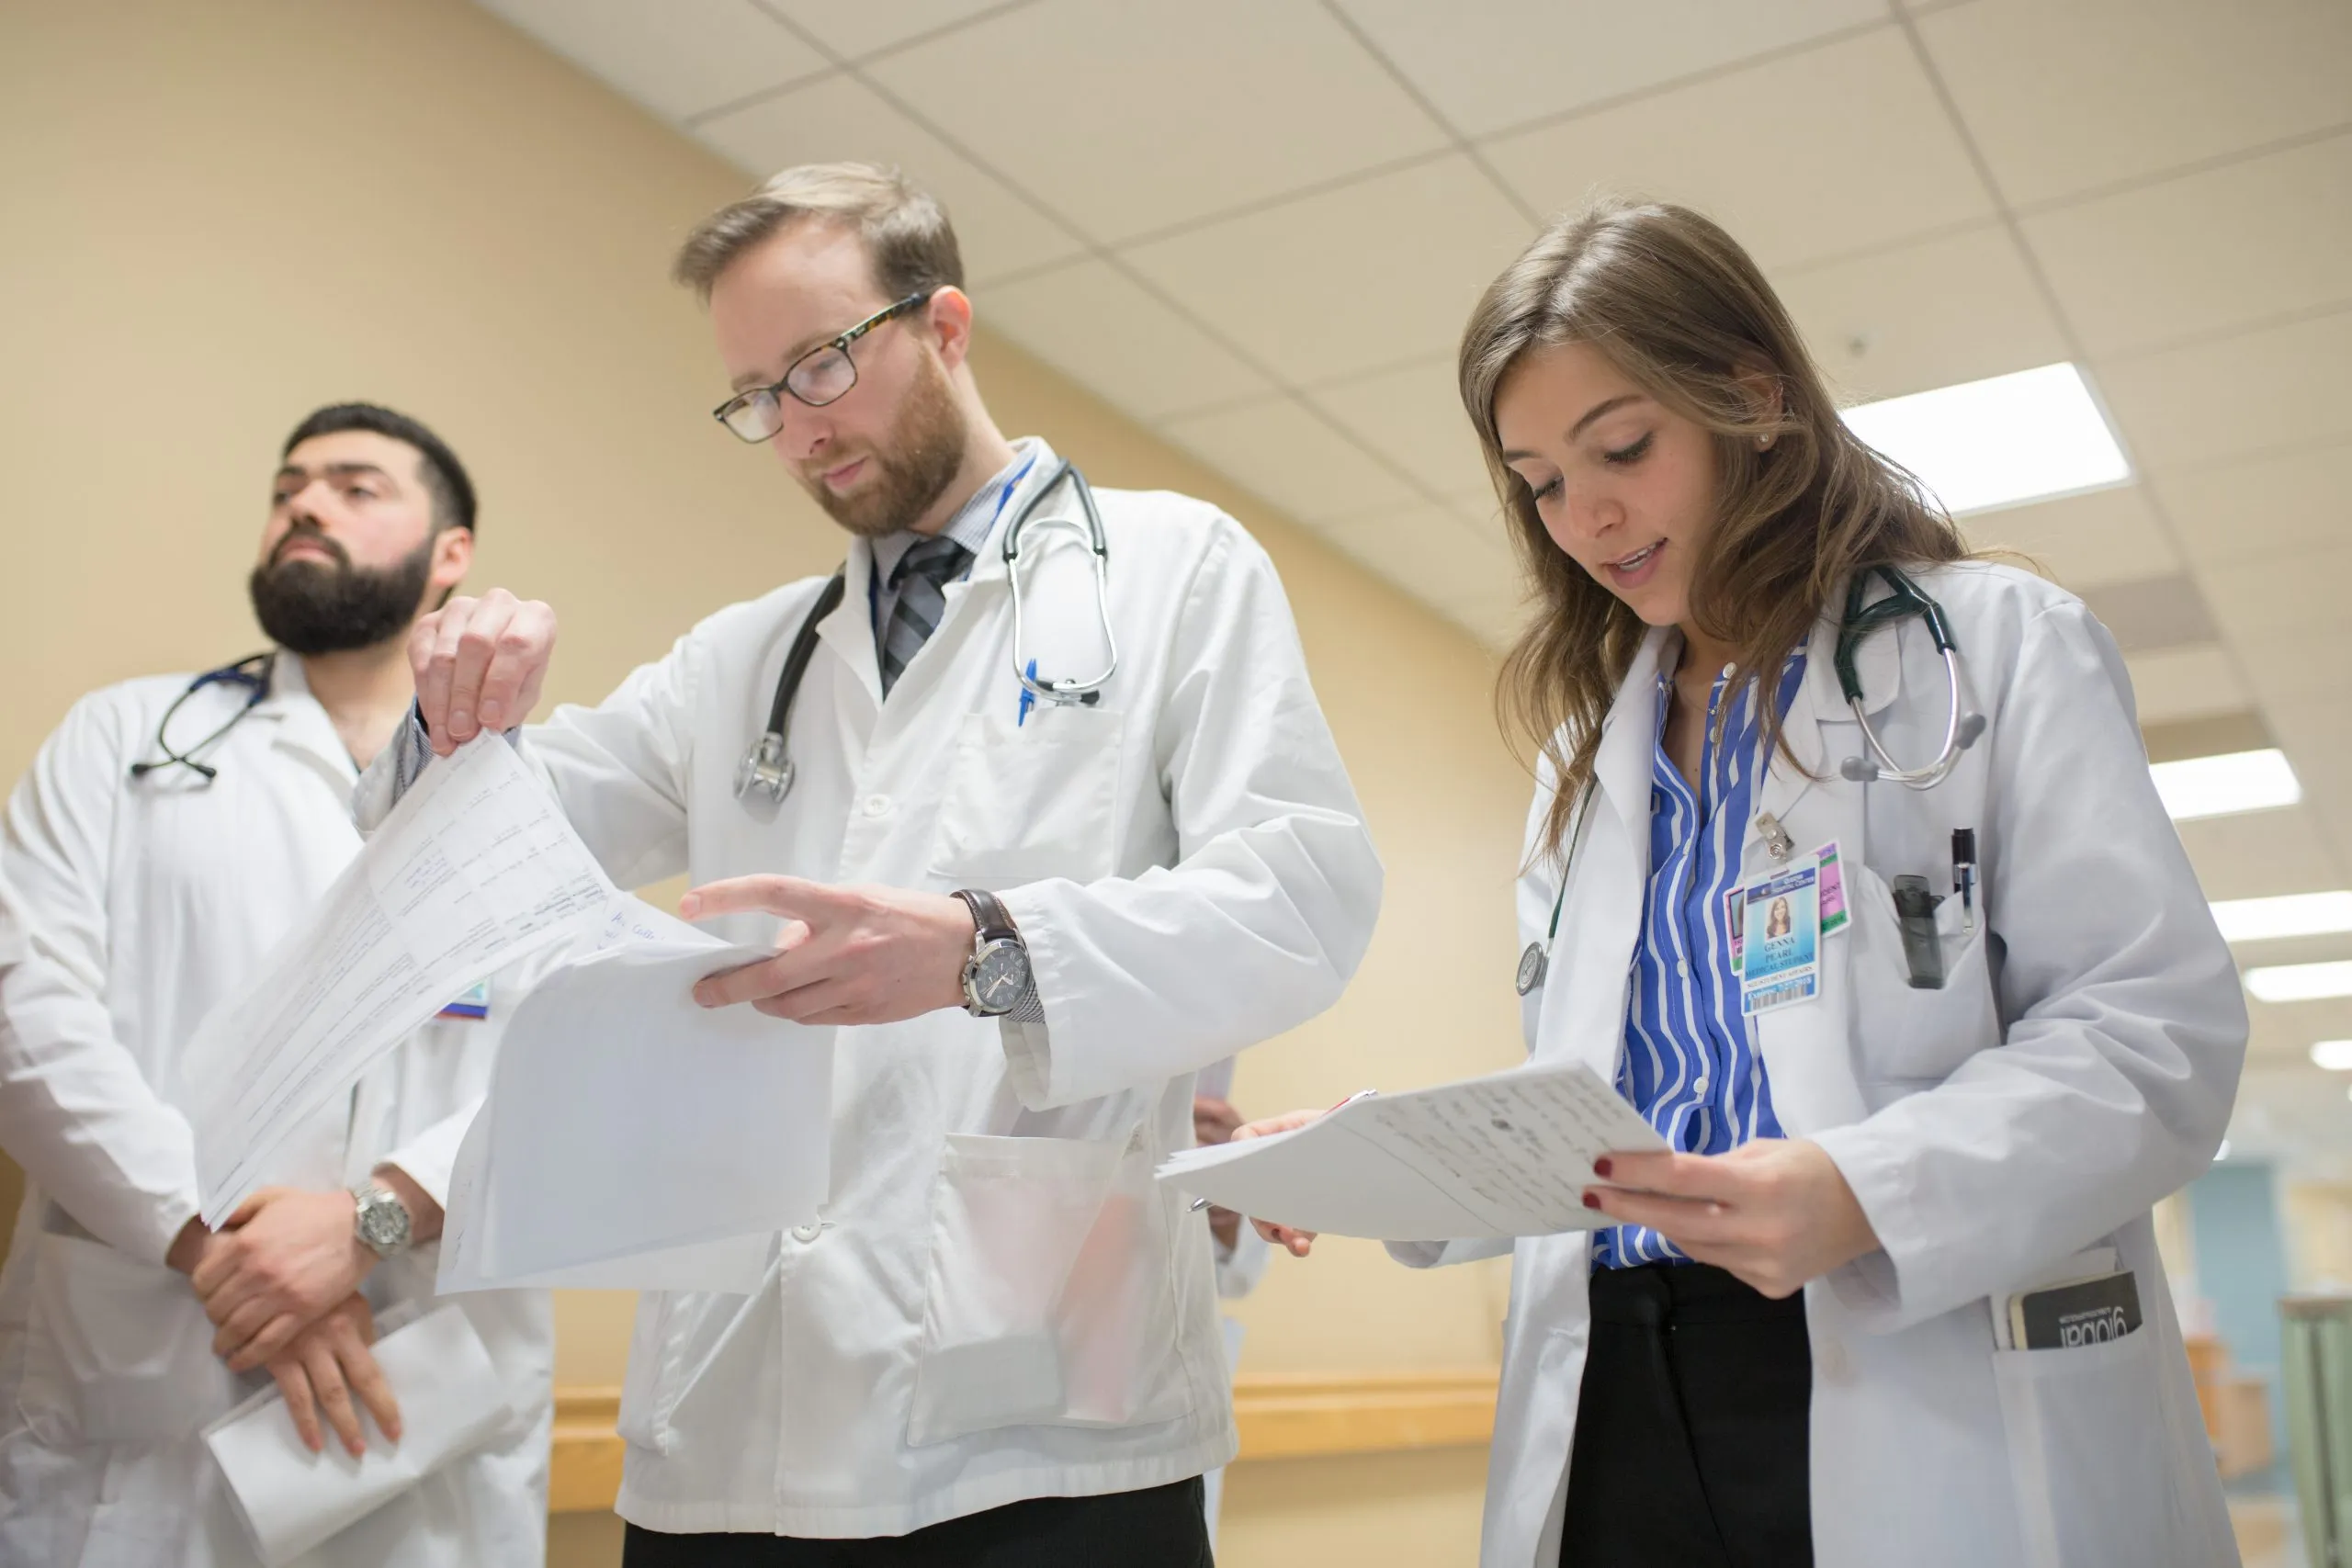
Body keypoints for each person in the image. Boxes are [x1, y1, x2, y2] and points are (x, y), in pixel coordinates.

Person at [369, 163, 1381, 1564]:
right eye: (756, 397)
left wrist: (987, 949)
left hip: (1046, 1426)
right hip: (738, 1425)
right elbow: (487, 848)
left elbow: (1303, 894)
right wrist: (452, 713)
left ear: (947, 325)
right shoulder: (741, 659)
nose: (795, 427)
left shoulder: (1173, 569)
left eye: (822, 364)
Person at [1238, 200, 2245, 1568]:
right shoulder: (1588, 765)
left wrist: (1866, 1186)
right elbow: (1608, 1123)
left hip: (1901, 1347)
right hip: (1624, 1399)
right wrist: (1389, 1160)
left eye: (1623, 448)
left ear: (1751, 400)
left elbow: (2153, 1034)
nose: (1585, 514)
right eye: (1538, 479)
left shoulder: (1992, 652)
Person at [0, 403, 556, 1566]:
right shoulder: (126, 739)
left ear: (451, 553)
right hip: (146, 1385)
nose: (304, 503)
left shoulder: (528, 801)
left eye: (355, 486)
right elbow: (24, 1008)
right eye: (288, 486)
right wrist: (218, 1250)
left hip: (419, 1401)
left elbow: (572, 1070)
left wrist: (364, 1227)